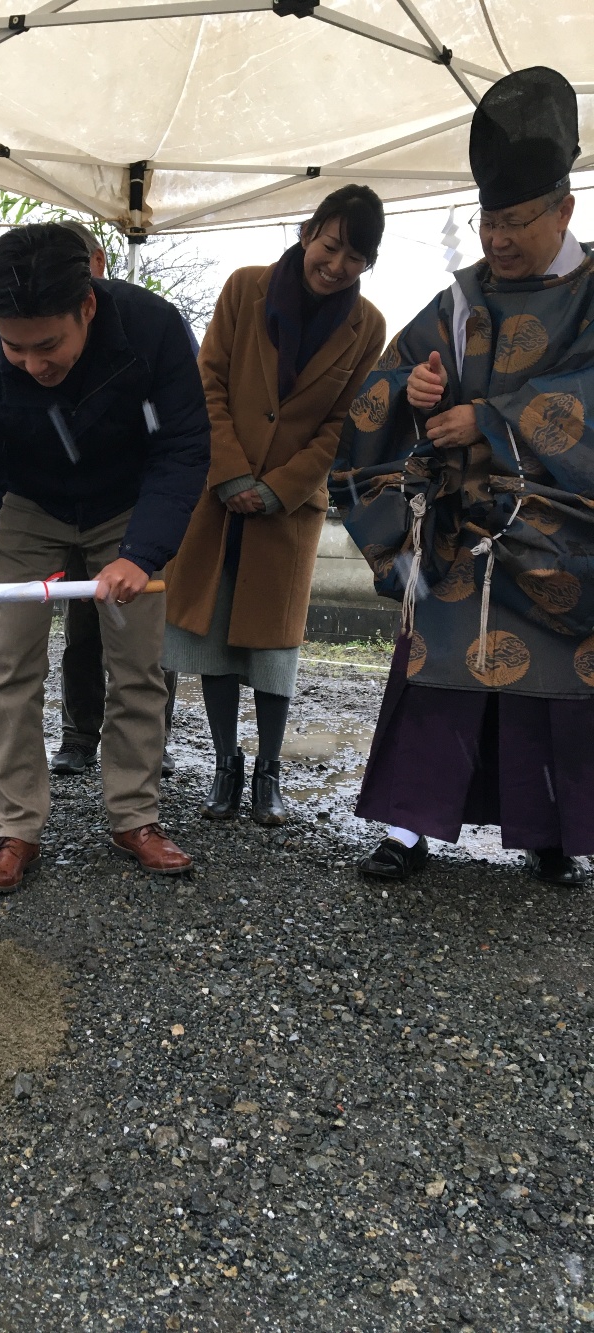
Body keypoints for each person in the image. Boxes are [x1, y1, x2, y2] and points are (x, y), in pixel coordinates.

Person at [331, 67, 594, 887]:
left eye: (517, 221)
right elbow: (395, 377)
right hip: (461, 533)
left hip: (561, 533)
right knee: (439, 663)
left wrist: (493, 419)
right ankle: (410, 827)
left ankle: (551, 834)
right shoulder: (461, 298)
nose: (499, 239)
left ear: (564, 210)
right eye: (488, 220)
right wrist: (415, 397)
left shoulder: (591, 295)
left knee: (553, 682)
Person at [0, 222, 210, 891]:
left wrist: (143, 552)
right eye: (15, 347)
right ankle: (15, 826)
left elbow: (183, 449)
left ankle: (134, 814)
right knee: (9, 666)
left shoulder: (152, 329)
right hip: (28, 506)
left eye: (47, 344)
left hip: (126, 503)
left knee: (139, 664)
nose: (32, 363)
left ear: (87, 304)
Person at [163, 186, 386, 823]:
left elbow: (346, 425)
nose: (338, 264)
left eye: (357, 257)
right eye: (332, 244)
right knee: (211, 633)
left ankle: (269, 773)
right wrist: (231, 472)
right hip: (218, 498)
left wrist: (280, 487)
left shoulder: (366, 325)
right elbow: (206, 382)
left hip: (289, 508)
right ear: (307, 231)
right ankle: (225, 766)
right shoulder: (244, 288)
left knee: (273, 645)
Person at [51, 219, 182, 778]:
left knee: (147, 640)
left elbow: (180, 431)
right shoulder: (42, 329)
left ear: (99, 264)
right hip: (66, 501)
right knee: (83, 626)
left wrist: (151, 530)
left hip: (138, 501)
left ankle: (148, 748)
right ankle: (80, 732)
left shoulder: (149, 324)